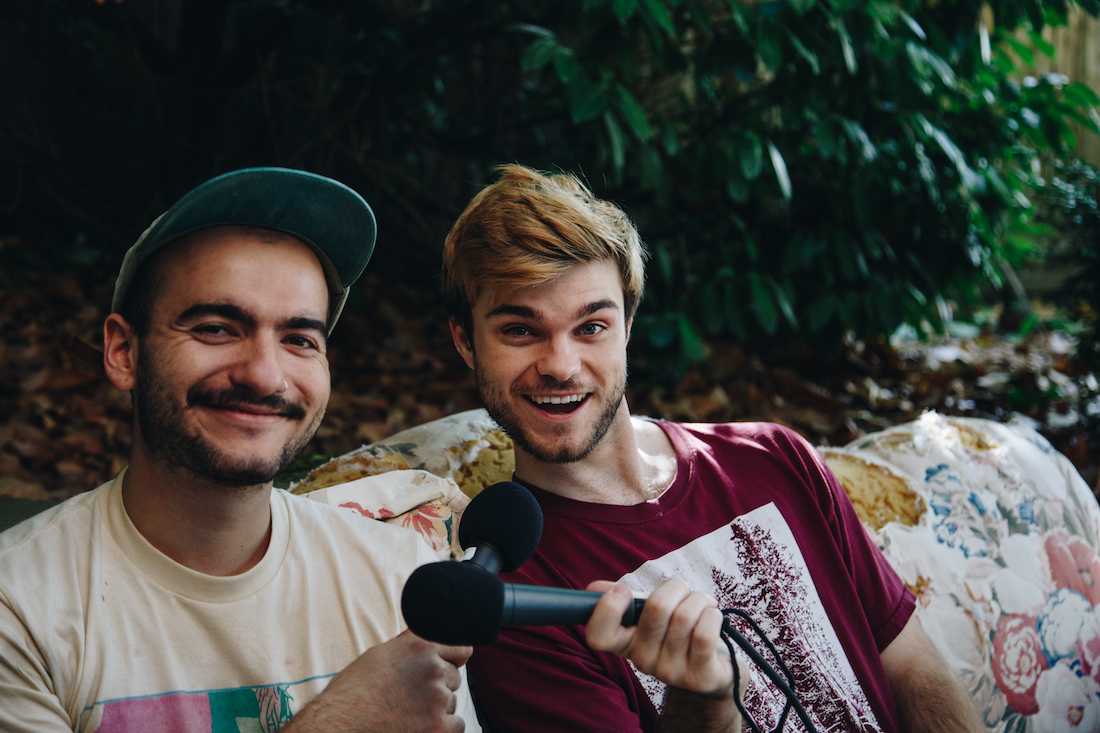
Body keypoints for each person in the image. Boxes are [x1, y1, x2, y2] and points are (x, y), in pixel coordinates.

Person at [442, 164, 980, 732]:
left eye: (591, 327)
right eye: (520, 331)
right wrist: (705, 709)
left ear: (627, 325)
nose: (561, 366)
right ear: (465, 342)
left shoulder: (776, 458)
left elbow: (917, 670)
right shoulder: (515, 606)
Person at [0, 167, 478, 732]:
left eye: (299, 339)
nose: (263, 374)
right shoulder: (20, 606)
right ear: (124, 352)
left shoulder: (398, 579)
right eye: (216, 328)